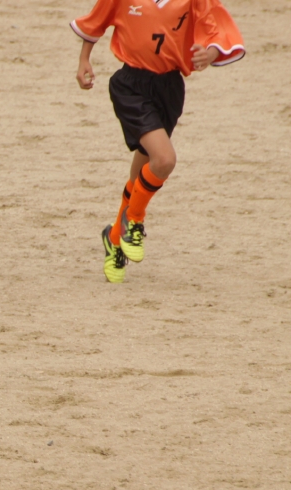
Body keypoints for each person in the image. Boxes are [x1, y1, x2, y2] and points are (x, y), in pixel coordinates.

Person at [71, 0, 244, 283]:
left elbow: (216, 30)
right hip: (131, 85)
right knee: (164, 160)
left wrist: (209, 54)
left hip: (169, 89)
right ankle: (134, 221)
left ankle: (114, 238)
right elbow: (96, 22)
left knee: (140, 174)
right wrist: (84, 60)